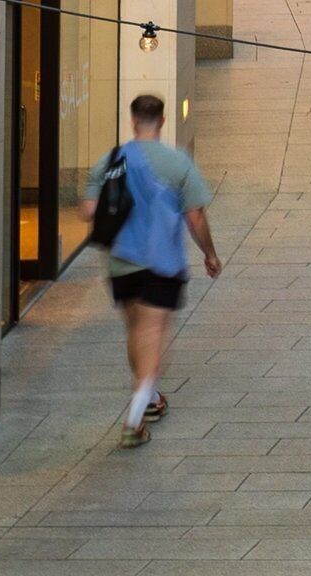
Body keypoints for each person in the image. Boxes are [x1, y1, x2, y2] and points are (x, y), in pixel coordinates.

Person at [90, 91, 221, 448]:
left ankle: (148, 398)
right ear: (162, 121)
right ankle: (134, 420)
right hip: (161, 262)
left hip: (120, 262)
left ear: (132, 121)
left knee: (135, 331)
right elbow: (195, 215)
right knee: (153, 337)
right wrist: (209, 254)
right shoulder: (178, 164)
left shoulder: (111, 160)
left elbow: (89, 209)